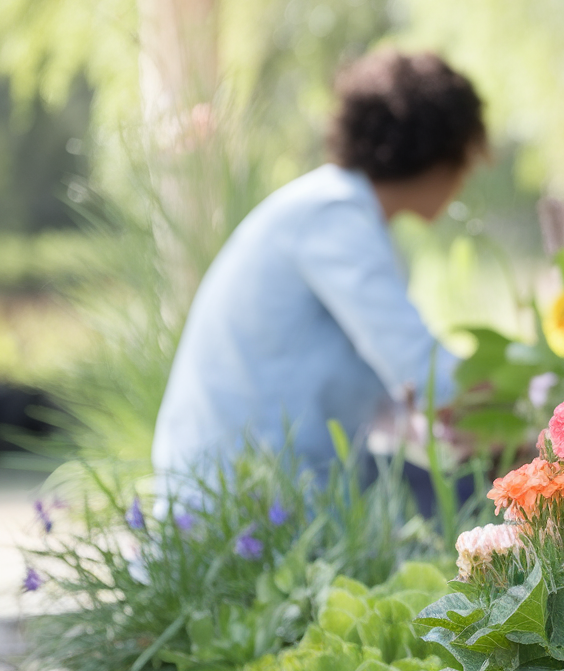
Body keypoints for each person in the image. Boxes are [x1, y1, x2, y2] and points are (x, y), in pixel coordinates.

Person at [152, 50, 485, 504]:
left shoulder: (344, 214)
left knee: (473, 498)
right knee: (488, 507)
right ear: (441, 153)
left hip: (289, 474)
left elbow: (399, 395)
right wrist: (539, 399)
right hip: (244, 497)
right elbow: (425, 373)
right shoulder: (334, 216)